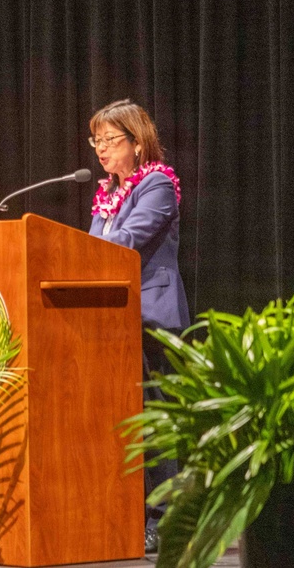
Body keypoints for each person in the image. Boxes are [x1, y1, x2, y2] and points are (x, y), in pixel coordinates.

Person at [86, 99, 190, 554]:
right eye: (97, 142)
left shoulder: (158, 186)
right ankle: (126, 512)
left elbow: (126, 241)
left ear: (137, 140)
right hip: (112, 320)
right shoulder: (108, 195)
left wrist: (92, 247)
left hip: (153, 317)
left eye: (111, 140)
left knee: (159, 421)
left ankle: (167, 520)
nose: (102, 151)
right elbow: (86, 250)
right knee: (127, 422)